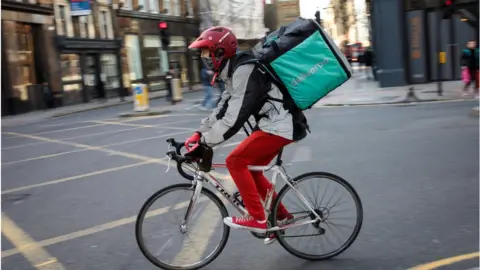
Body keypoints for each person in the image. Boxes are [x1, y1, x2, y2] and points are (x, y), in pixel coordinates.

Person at [184, 26, 309, 243]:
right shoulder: (233, 71)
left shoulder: (244, 70)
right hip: (273, 125)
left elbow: (234, 118)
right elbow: (222, 108)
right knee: (252, 170)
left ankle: (259, 219)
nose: (203, 58)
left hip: (280, 126)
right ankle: (282, 217)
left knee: (236, 160)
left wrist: (205, 143)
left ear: (220, 51)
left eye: (206, 52)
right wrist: (199, 133)